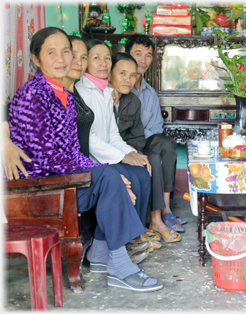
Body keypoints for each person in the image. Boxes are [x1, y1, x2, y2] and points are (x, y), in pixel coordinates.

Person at [6, 27, 162, 292]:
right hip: (36, 189)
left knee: (113, 176)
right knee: (110, 178)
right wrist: (102, 175)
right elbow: (46, 158)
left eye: (65, 51)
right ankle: (120, 266)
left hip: (60, 181)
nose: (61, 58)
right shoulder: (33, 95)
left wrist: (101, 171)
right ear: (35, 59)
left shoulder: (63, 95)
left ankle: (103, 253)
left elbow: (74, 151)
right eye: (51, 52)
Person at [75, 39, 156, 239]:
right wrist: (121, 157)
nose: (103, 63)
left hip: (107, 156)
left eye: (107, 58)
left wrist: (133, 154)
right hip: (94, 160)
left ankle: (136, 234)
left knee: (143, 173)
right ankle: (122, 239)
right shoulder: (81, 92)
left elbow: (113, 135)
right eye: (96, 58)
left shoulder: (106, 92)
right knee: (131, 178)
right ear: (85, 62)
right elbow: (89, 138)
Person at [109, 51, 181, 242]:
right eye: (122, 73)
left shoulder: (133, 101)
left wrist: (132, 151)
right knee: (145, 163)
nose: (128, 80)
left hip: (128, 149)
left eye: (132, 75)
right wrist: (125, 154)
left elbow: (139, 137)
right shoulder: (101, 98)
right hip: (108, 155)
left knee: (154, 158)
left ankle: (156, 219)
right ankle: (140, 226)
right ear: (109, 73)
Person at [124, 34, 186, 228]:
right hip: (122, 141)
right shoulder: (121, 87)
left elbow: (157, 126)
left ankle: (166, 208)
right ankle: (155, 217)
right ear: (127, 55)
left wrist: (140, 140)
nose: (143, 60)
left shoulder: (150, 92)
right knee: (153, 158)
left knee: (167, 144)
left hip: (144, 139)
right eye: (138, 54)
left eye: (148, 55)